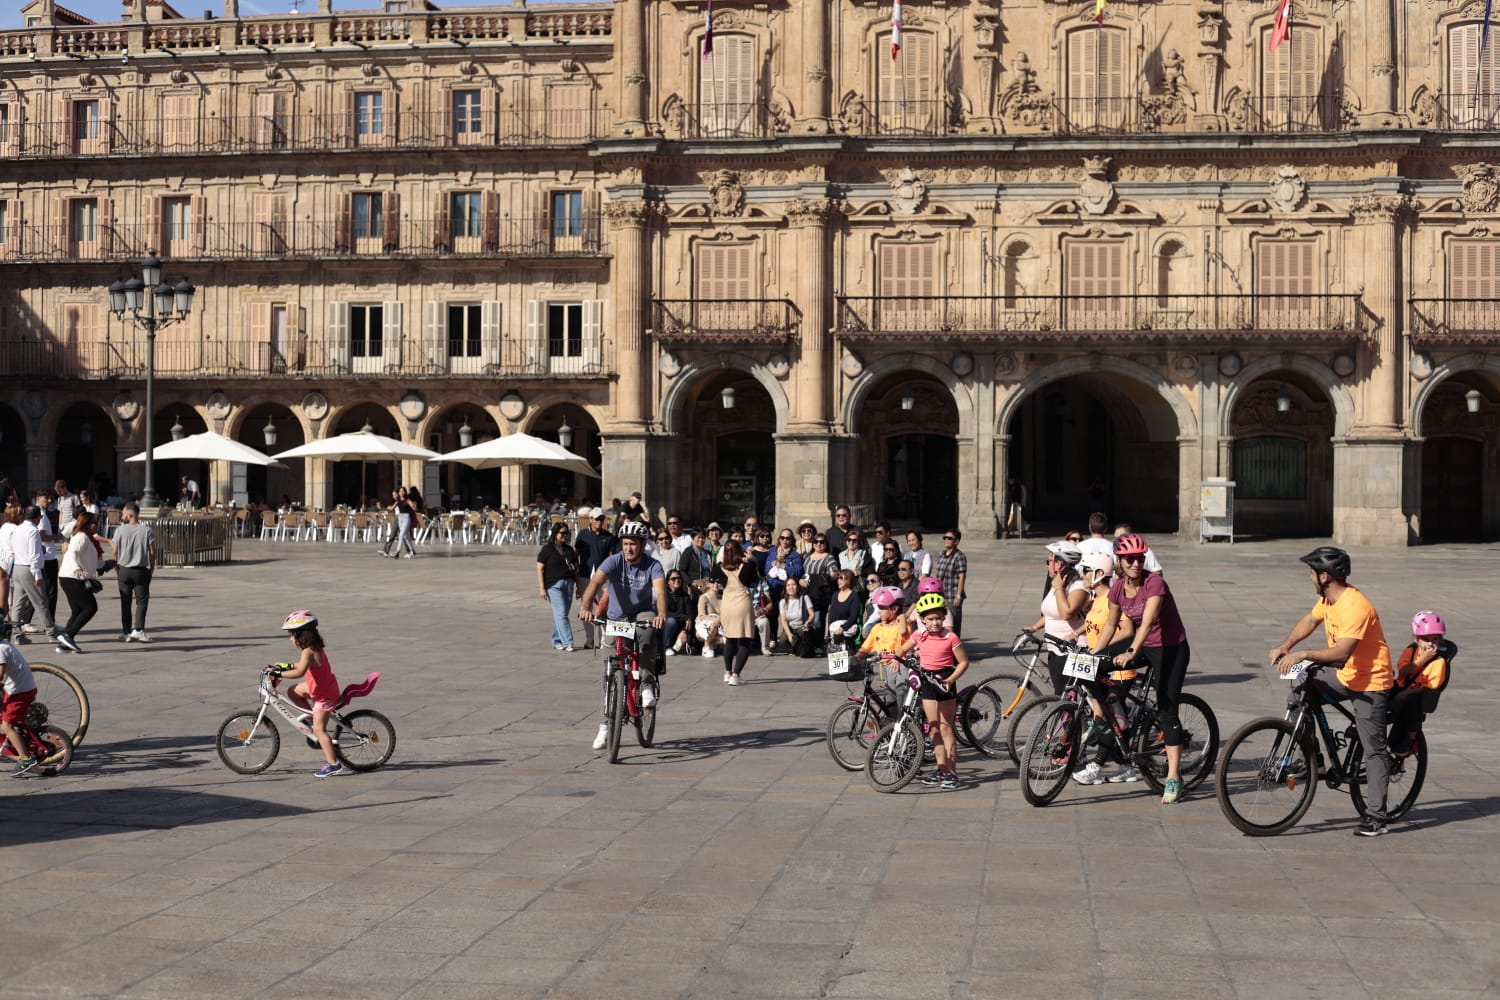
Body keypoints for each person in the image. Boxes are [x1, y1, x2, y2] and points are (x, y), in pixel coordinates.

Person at [1270, 546, 1394, 836]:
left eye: (1311, 573)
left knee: (1374, 749)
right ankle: (1314, 759)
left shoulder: (1356, 606)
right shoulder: (1327, 599)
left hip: (1371, 682)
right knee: (1299, 693)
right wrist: (1286, 645)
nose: (1308, 578)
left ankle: (1377, 816)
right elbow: (1310, 621)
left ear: (1324, 576)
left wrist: (1302, 655)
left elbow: (1341, 651)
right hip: (1346, 675)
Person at [1095, 533, 1191, 805]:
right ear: (1120, 562)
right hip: (1143, 645)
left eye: (1140, 558)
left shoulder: (1155, 583)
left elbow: (1147, 623)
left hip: (1171, 648)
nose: (1136, 563)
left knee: (1166, 709)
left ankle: (1174, 776)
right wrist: (1096, 653)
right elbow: (1111, 625)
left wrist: (1130, 652)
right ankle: (1119, 717)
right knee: (1096, 668)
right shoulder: (1116, 588)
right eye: (1130, 559)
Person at [578, 521, 668, 749]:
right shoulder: (614, 561)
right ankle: (604, 727)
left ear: (642, 545)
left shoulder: (652, 565)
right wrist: (586, 607)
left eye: (633, 544)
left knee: (647, 633)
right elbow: (595, 583)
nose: (629, 548)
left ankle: (646, 684)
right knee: (610, 673)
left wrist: (662, 614)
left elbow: (660, 590)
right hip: (617, 618)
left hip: (641, 614)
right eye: (626, 544)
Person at [1070, 551, 1142, 785]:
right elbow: (1094, 625)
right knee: (1106, 716)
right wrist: (1076, 634)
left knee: (1111, 716)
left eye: (1086, 572)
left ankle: (1096, 766)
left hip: (1117, 668)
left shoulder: (1112, 597)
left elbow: (1127, 630)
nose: (1082, 577)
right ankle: (1126, 765)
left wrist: (1102, 652)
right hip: (1100, 664)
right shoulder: (1096, 599)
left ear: (1099, 574)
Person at [895, 593, 970, 789]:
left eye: (938, 618)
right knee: (934, 728)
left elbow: (963, 662)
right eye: (930, 619)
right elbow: (901, 650)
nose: (935, 622)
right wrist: (894, 658)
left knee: (946, 728)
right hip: (927, 681)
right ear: (922, 620)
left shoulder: (950, 637)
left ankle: (952, 773)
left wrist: (951, 679)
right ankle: (941, 768)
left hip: (944, 680)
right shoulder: (919, 636)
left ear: (944, 616)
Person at [271, 610, 344, 778]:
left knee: (320, 730)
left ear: (301, 635)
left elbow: (300, 671)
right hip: (319, 687)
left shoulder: (308, 651)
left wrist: (278, 674)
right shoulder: (312, 648)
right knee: (293, 691)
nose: (290, 638)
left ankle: (334, 764)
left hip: (324, 694)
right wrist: (286, 666)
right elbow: (300, 665)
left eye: (291, 635)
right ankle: (311, 719)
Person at [1025, 541, 1090, 694]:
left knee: (1072, 698)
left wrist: (1059, 588)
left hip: (1075, 650)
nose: (1047, 565)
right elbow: (1051, 612)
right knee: (1061, 695)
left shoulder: (1078, 586)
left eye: (1049, 561)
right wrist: (1034, 627)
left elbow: (1067, 613)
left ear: (1059, 563)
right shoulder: (1058, 584)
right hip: (1055, 649)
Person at [8, 507, 74, 651]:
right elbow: (35, 555)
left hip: (18, 567)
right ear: (37, 518)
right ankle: (51, 632)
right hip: (29, 569)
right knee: (41, 601)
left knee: (18, 603)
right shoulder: (33, 531)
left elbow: (13, 548)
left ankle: (16, 634)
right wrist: (37, 574)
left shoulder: (17, 529)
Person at [1389, 610, 1451, 758]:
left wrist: (1406, 693)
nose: (1430, 643)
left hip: (1418, 695)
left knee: (1411, 702)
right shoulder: (1410, 651)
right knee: (1378, 688)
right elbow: (1402, 671)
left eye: (1435, 639)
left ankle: (1410, 740)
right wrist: (1420, 660)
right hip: (1401, 687)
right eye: (1425, 639)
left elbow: (1430, 687)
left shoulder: (1439, 662)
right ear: (1416, 639)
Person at [711, 539, 761, 685]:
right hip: (742, 603)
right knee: (745, 639)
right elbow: (756, 581)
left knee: (730, 639)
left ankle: (727, 672)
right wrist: (753, 560)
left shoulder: (718, 567)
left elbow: (713, 580)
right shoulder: (747, 566)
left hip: (726, 605)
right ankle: (735, 675)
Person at [56, 511, 106, 654]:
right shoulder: (81, 537)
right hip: (72, 578)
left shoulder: (86, 538)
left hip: (69, 577)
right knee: (90, 607)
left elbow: (92, 561)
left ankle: (64, 644)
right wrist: (77, 568)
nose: (96, 525)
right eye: (94, 523)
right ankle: (68, 636)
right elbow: (72, 553)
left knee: (77, 610)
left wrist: (108, 563)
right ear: (88, 525)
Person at [573, 508, 617, 651]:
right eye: (597, 519)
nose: (599, 521)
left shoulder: (608, 537)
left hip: (603, 578)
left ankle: (604, 639)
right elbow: (575, 554)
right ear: (590, 519)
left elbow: (612, 557)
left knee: (602, 608)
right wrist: (576, 574)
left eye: (602, 519)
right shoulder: (583, 535)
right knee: (586, 607)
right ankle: (589, 639)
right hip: (585, 576)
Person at [114, 501, 157, 643]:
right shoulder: (147, 530)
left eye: (124, 513)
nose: (123, 515)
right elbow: (152, 552)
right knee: (142, 601)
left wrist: (117, 565)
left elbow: (115, 550)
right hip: (140, 570)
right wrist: (151, 567)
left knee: (125, 602)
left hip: (124, 570)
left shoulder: (119, 530)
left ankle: (126, 632)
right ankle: (138, 630)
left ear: (131, 514)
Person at [536, 521, 580, 652]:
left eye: (567, 533)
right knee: (561, 614)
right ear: (555, 533)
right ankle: (568, 642)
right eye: (562, 533)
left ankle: (556, 640)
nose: (565, 536)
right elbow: (539, 568)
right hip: (553, 585)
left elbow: (575, 569)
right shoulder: (547, 549)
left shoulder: (569, 549)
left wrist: (579, 586)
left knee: (561, 614)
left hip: (569, 584)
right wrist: (542, 588)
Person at [1, 632, 40, 776]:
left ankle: (25, 758)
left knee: (6, 726)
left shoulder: (1, 649)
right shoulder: (5, 644)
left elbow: (0, 674)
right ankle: (21, 736)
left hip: (19, 693)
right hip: (21, 689)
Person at [934, 528, 969, 636]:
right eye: (945, 537)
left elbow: (962, 576)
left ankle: (955, 649)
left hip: (952, 595)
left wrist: (958, 596)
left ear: (956, 541)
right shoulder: (942, 553)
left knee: (953, 623)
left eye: (950, 538)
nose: (946, 540)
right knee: (942, 622)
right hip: (940, 595)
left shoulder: (959, 556)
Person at [777, 576, 817, 658]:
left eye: (793, 584)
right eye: (788, 585)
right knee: (782, 641)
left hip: (802, 626)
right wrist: (789, 634)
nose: (791, 587)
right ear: (785, 588)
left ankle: (806, 648)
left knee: (804, 633)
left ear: (798, 586)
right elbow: (783, 620)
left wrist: (808, 622)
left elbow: (812, 614)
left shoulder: (804, 598)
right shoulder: (783, 602)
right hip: (791, 627)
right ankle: (795, 648)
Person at [825, 569, 862, 651]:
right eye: (838, 578)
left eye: (842, 578)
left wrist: (842, 628)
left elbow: (854, 616)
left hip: (847, 629)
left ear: (849, 580)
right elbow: (831, 614)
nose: (839, 580)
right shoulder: (835, 594)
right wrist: (828, 632)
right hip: (833, 629)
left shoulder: (854, 596)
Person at [663, 570, 695, 656]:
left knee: (689, 636)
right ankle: (666, 647)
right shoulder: (664, 595)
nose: (677, 580)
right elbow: (665, 613)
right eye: (673, 578)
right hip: (668, 627)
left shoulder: (685, 596)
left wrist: (684, 630)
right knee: (671, 621)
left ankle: (676, 646)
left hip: (682, 626)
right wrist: (684, 618)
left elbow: (690, 615)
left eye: (678, 578)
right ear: (668, 582)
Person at [695, 578, 724, 659]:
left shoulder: (723, 597)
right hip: (706, 626)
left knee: (728, 641)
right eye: (713, 581)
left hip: (720, 627)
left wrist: (719, 620)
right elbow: (701, 616)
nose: (715, 584)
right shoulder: (703, 597)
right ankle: (707, 647)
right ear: (708, 584)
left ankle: (708, 644)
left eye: (718, 582)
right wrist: (717, 620)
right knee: (714, 626)